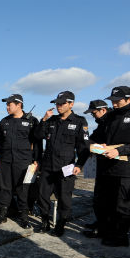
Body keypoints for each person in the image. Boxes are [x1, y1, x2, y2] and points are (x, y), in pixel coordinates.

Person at [89, 86, 130, 246]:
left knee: (122, 204)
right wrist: (94, 145)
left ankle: (120, 236)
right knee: (102, 202)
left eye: (118, 101)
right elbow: (95, 137)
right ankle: (104, 229)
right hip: (106, 167)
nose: (114, 103)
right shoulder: (110, 117)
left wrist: (118, 150)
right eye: (113, 100)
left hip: (126, 168)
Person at [34, 91, 90, 237]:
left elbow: (83, 147)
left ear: (71, 104)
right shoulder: (51, 120)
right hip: (48, 166)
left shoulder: (79, 121)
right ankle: (45, 222)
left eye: (62, 103)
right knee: (42, 196)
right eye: (57, 103)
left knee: (64, 198)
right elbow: (38, 136)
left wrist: (79, 165)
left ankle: (61, 224)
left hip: (66, 167)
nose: (58, 106)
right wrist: (44, 119)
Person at [0, 94, 40, 228]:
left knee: (22, 190)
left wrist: (36, 160)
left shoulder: (32, 121)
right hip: (6, 160)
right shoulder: (4, 121)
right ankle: (2, 215)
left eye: (9, 104)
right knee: (4, 188)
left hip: (23, 161)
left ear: (19, 104)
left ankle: (24, 217)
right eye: (6, 104)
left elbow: (36, 143)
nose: (7, 107)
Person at [81, 100, 111, 237]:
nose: (93, 116)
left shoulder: (111, 123)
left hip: (111, 166)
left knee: (106, 199)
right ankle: (100, 222)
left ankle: (104, 228)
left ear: (103, 110)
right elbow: (92, 139)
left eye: (94, 113)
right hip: (102, 165)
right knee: (98, 198)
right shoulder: (102, 124)